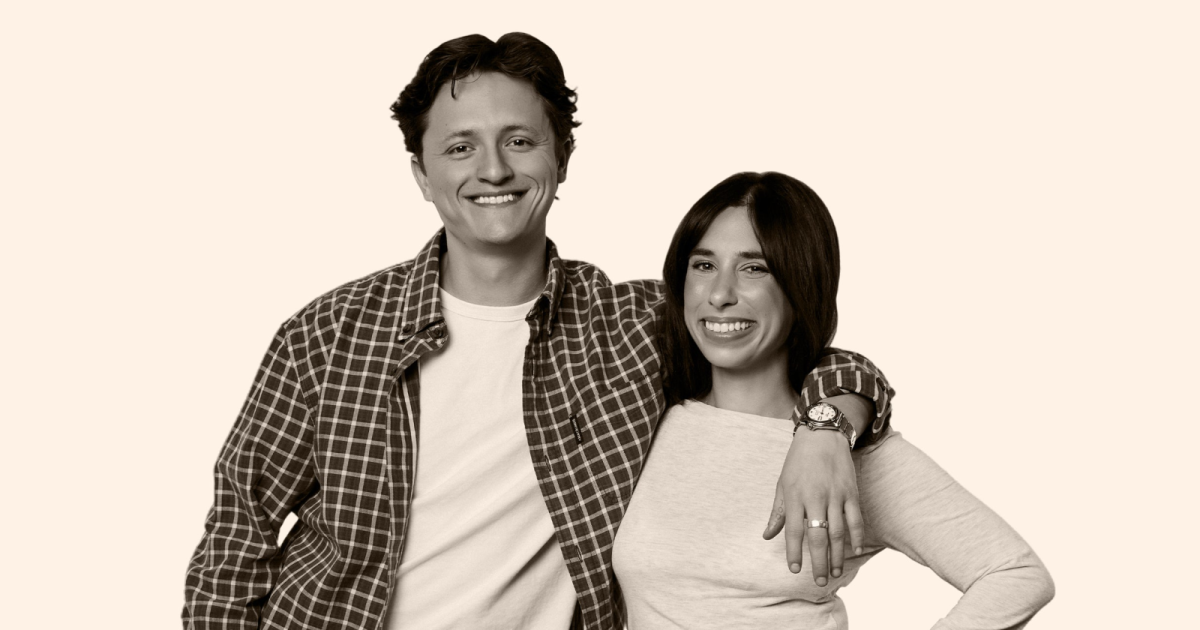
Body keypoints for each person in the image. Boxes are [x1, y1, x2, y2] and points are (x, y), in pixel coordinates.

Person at [183, 34, 896, 630]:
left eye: (519, 141)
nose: (494, 169)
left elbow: (805, 351)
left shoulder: (634, 326)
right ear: (421, 174)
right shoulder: (329, 334)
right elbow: (236, 539)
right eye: (460, 148)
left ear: (562, 158)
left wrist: (826, 428)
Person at [612, 171, 1055, 629]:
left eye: (755, 268)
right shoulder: (645, 420)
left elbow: (1014, 574)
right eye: (703, 266)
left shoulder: (841, 453)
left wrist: (825, 430)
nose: (720, 295)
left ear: (802, 284)